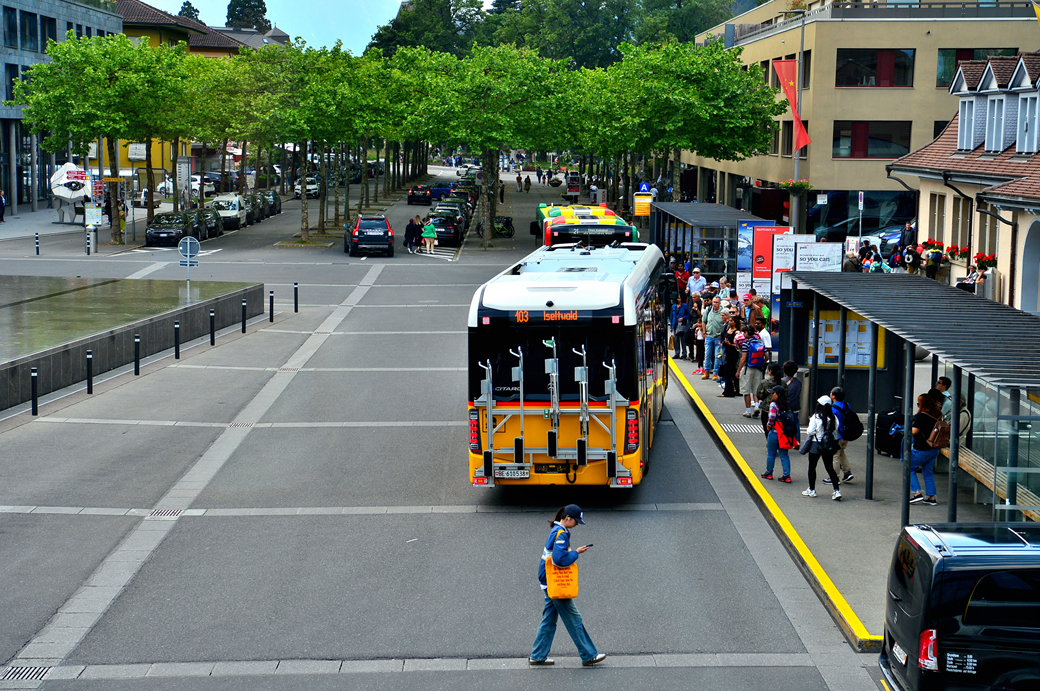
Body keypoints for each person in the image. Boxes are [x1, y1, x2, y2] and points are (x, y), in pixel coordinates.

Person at [530, 505, 607, 667]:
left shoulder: (557, 531)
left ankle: (537, 656)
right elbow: (560, 560)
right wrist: (576, 553)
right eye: (576, 521)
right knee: (574, 618)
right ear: (567, 518)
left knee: (549, 620)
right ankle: (589, 655)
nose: (577, 524)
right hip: (555, 583)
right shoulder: (561, 534)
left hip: (548, 581)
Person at [803, 396, 843, 500]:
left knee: (812, 467)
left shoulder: (815, 417)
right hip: (828, 445)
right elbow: (836, 429)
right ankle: (836, 490)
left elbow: (810, 431)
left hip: (816, 444)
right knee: (829, 467)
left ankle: (812, 489)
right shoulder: (833, 417)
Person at [909, 394, 942, 505]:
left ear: (922, 404)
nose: (918, 406)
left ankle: (917, 493)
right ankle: (931, 497)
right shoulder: (937, 414)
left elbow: (914, 431)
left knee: (909, 469)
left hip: (922, 448)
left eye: (918, 404)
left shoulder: (921, 416)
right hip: (934, 448)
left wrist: (904, 430)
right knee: (928, 472)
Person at [763, 386, 794, 482]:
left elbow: (771, 418)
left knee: (771, 454)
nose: (772, 395)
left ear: (778, 394)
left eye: (773, 393)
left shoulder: (773, 405)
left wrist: (768, 426)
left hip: (775, 431)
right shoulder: (787, 405)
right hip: (784, 433)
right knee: (784, 455)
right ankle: (787, 475)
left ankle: (769, 473)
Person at [825, 387, 855, 485]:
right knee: (841, 452)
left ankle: (835, 477)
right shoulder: (847, 405)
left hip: (837, 435)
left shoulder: (833, 408)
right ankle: (847, 472)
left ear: (833, 396)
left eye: (831, 392)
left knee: (835, 456)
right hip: (846, 434)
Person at [738, 327, 766, 417]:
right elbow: (767, 357)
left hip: (748, 368)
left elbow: (743, 359)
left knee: (746, 390)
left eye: (744, 332)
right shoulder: (760, 343)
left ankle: (748, 411)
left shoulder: (746, 343)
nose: (743, 334)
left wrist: (738, 371)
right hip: (758, 369)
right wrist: (761, 363)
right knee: (756, 390)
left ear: (747, 332)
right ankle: (757, 406)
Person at [701, 296, 724, 381]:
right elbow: (703, 321)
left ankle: (715, 373)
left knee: (717, 356)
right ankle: (706, 371)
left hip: (718, 337)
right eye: (714, 302)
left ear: (720, 303)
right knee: (707, 354)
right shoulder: (708, 310)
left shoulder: (722, 311)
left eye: (717, 302)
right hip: (709, 336)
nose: (715, 304)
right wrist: (704, 332)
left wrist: (722, 335)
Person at [783, 360, 802, 442]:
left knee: (783, 423)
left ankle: (785, 440)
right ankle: (797, 440)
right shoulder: (798, 382)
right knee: (796, 422)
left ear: (784, 371)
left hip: (785, 406)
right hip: (795, 406)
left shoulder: (782, 381)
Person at [670, 295, 691, 360]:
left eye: (679, 298)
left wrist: (683, 318)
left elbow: (688, 314)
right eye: (677, 298)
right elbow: (671, 316)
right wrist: (671, 326)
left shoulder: (684, 306)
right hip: (675, 324)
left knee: (682, 339)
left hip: (682, 324)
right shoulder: (673, 306)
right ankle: (677, 353)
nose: (678, 299)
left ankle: (684, 353)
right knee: (676, 339)